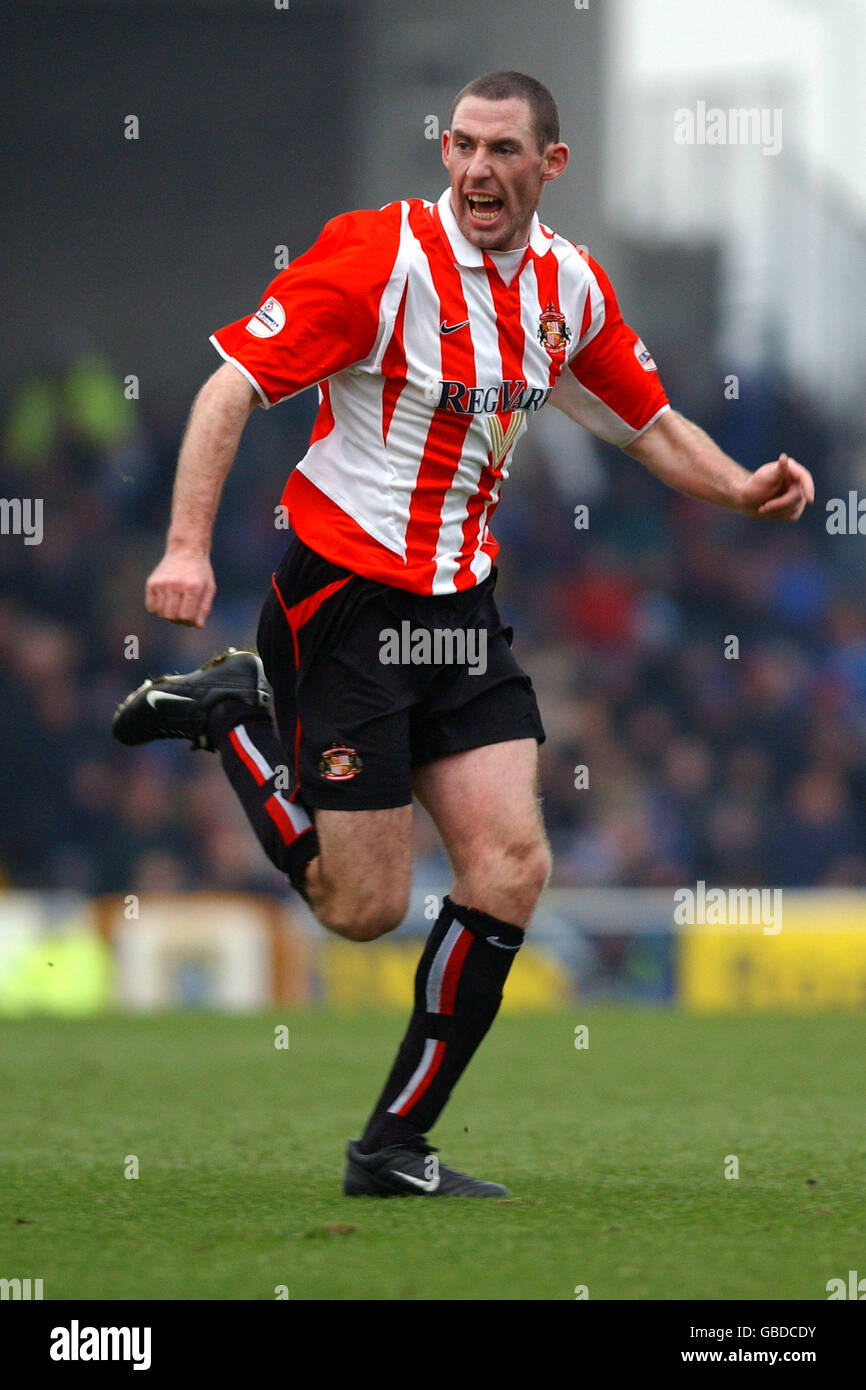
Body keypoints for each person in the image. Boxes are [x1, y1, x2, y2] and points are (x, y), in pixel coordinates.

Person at [113, 71, 814, 1197]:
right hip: (342, 605)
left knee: (509, 867)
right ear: (444, 153)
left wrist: (738, 488)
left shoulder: (565, 285)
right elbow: (227, 389)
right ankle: (236, 715)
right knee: (364, 907)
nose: (477, 169)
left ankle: (390, 1149)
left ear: (550, 164)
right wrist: (187, 546)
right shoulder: (374, 260)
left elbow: (643, 421)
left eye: (502, 150)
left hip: (457, 615)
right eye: (462, 146)